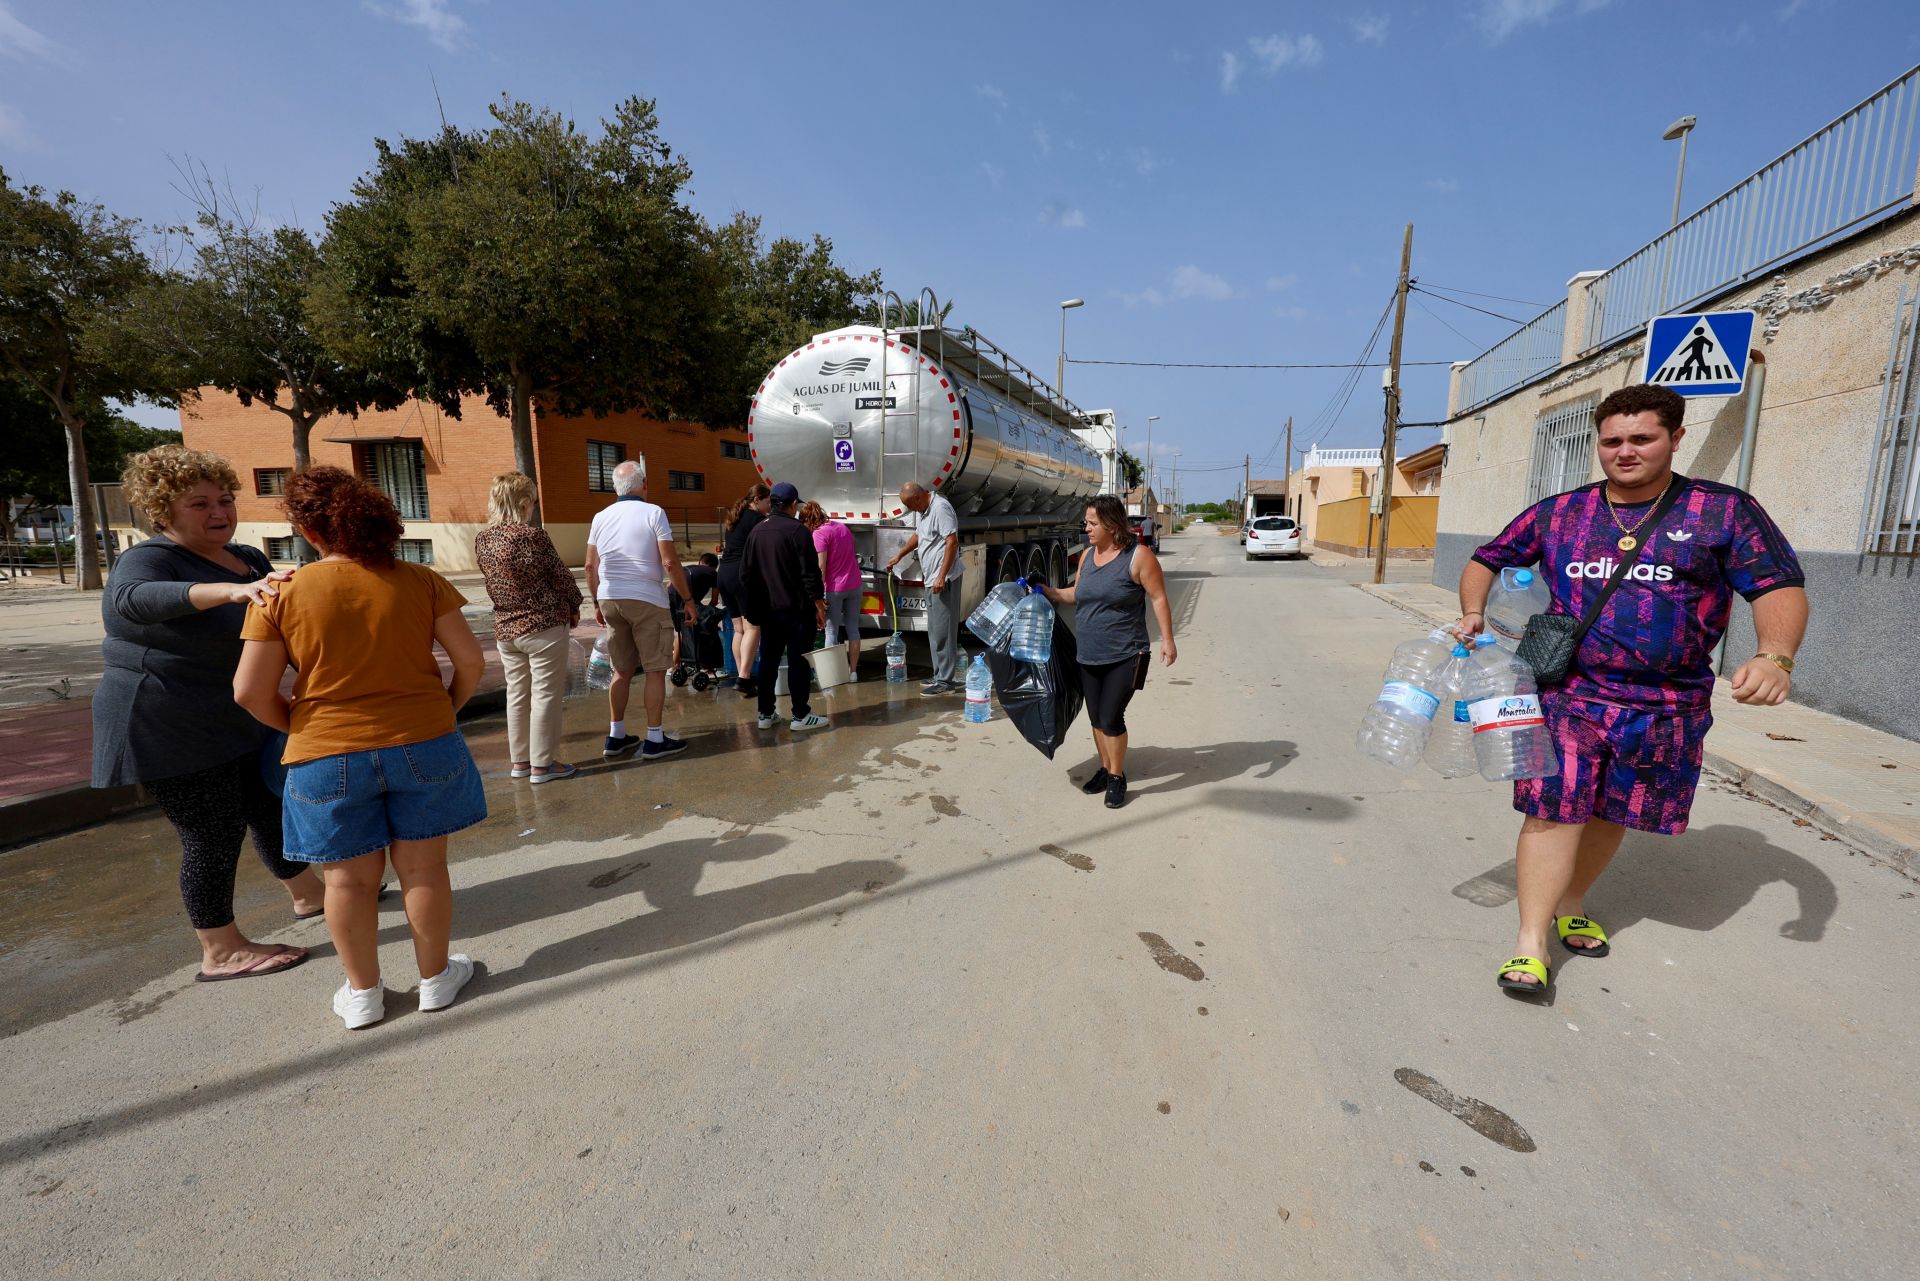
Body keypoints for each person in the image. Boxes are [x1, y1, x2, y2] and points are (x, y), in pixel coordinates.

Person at [1456, 384, 1808, 996]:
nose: (1625, 451)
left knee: (1608, 813)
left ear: (1676, 438)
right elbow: (1489, 556)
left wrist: (1775, 656)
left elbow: (1776, 583)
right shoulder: (1560, 511)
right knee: (1552, 810)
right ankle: (1530, 943)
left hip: (1665, 705)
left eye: (1642, 439)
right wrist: (1472, 612)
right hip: (1569, 693)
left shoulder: (1722, 511)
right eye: (1612, 440)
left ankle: (1572, 901)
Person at [233, 466, 489, 1030]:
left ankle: (364, 994)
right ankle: (436, 980)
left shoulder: (280, 593)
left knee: (346, 882)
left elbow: (249, 691)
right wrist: (445, 708)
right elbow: (471, 662)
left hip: (325, 751)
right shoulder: (421, 580)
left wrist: (298, 724)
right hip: (424, 739)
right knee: (424, 868)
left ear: (307, 528)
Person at [93, 444, 323, 981]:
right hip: (163, 720)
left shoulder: (249, 558)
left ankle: (309, 894)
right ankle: (220, 949)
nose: (219, 512)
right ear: (162, 509)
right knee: (211, 834)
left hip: (232, 713)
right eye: (199, 504)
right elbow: (134, 600)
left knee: (269, 806)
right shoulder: (148, 559)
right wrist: (229, 592)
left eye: (224, 499)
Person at [1037, 494, 1177, 809]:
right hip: (1088, 653)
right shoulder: (1088, 557)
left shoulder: (1138, 556)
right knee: (1096, 717)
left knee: (1112, 716)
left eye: (1092, 523)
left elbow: (1158, 598)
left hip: (1126, 654)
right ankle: (1104, 767)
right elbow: (1078, 594)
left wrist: (1168, 640)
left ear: (1112, 525)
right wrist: (1050, 592)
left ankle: (1116, 777)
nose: (1086, 528)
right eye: (1086, 522)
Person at [584, 458, 698, 761]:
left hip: (610, 596)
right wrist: (687, 599)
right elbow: (670, 562)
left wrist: (596, 600)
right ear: (644, 484)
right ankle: (655, 738)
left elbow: (589, 565)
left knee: (620, 670)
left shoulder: (600, 517)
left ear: (614, 488)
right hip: (646, 597)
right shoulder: (654, 513)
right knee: (655, 670)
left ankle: (616, 735)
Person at [474, 471, 582, 784]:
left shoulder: (483, 539)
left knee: (518, 695)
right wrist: (574, 606)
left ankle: (520, 762)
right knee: (545, 694)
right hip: (543, 623)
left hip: (506, 628)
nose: (534, 507)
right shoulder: (532, 536)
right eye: (532, 502)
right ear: (523, 503)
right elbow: (560, 577)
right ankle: (543, 765)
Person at [740, 481, 829, 733]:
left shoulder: (757, 531)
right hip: (796, 610)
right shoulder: (797, 531)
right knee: (798, 659)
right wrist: (819, 605)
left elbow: (745, 574)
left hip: (768, 611)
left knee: (768, 660)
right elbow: (810, 574)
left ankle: (766, 713)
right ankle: (801, 714)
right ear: (792, 505)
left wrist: (751, 609)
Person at [882, 481, 960, 695]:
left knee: (943, 630)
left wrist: (942, 576)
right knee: (934, 629)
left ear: (918, 497)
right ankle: (939, 675)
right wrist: (900, 554)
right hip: (931, 578)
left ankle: (946, 681)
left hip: (942, 579)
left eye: (910, 505)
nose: (910, 510)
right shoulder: (924, 510)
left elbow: (952, 542)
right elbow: (919, 536)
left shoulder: (940, 507)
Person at [798, 500, 863, 681]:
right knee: (853, 629)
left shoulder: (819, 534)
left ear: (807, 520)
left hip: (834, 588)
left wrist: (817, 594)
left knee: (831, 631)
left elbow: (821, 566)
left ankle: (832, 675)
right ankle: (853, 672)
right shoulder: (842, 527)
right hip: (855, 585)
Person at [716, 483, 772, 695]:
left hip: (724, 574)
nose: (769, 506)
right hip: (741, 575)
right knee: (753, 628)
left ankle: (741, 675)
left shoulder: (735, 517)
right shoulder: (757, 519)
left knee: (739, 629)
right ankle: (744, 678)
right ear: (757, 499)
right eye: (767, 502)